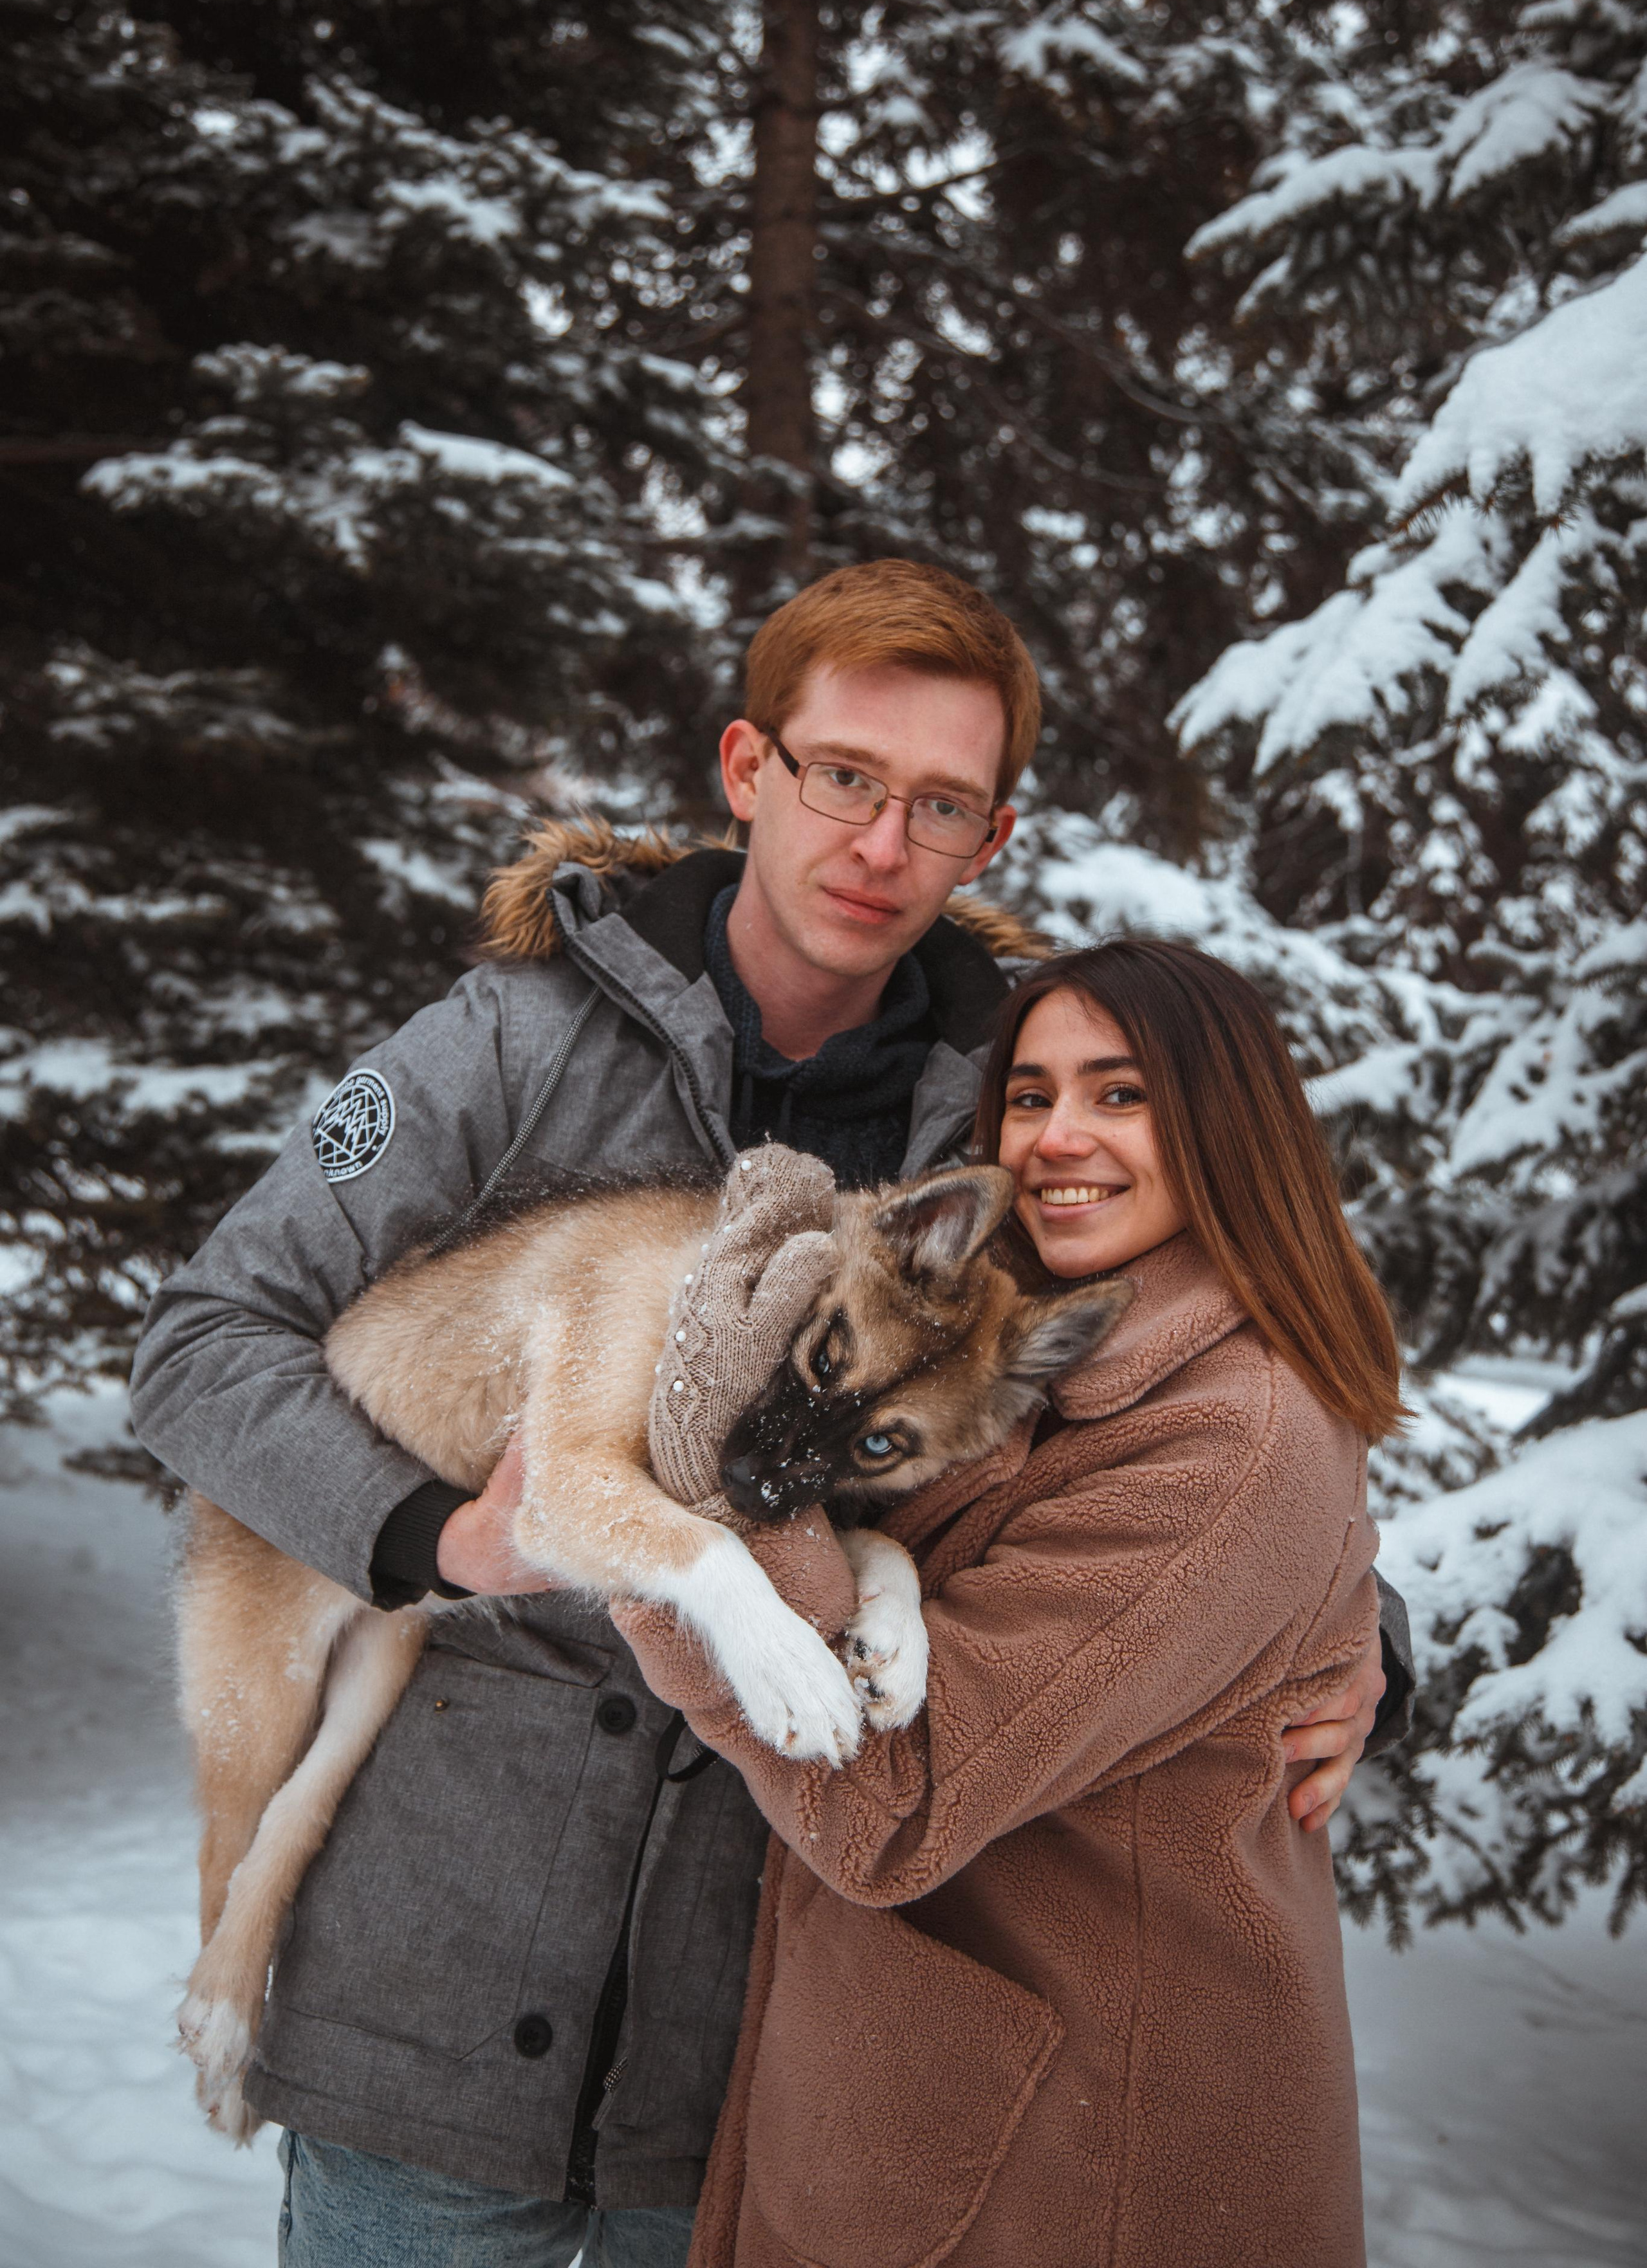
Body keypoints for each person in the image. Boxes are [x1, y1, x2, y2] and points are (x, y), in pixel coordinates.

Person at [131, 565, 1406, 2267]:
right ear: (749, 770)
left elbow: (1137, 1423)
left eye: (939, 803)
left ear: (991, 838)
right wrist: (435, 1535)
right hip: (431, 1987)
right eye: (844, 778)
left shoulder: (1002, 1119)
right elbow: (204, 1342)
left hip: (741, 2039)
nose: (884, 842)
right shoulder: (500, 1047)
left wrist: (1348, 1633)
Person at [615, 938, 1400, 2268]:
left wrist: (681, 1526)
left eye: (1119, 1093)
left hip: (1061, 2174)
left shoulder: (1227, 1431)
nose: (1054, 1137)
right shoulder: (1026, 1333)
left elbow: (890, 1798)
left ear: (1224, 1123)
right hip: (952, 2115)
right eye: (1027, 1095)